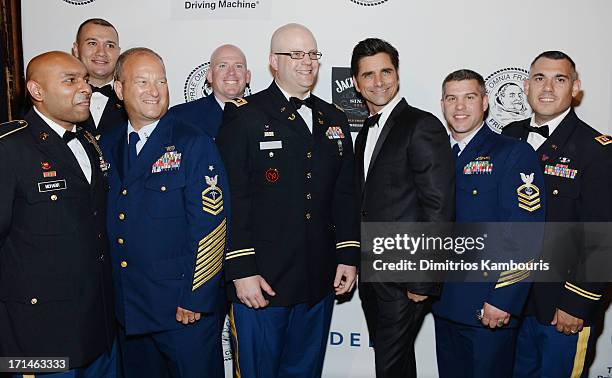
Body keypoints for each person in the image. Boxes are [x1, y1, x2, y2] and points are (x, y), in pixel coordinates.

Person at [216, 23, 360, 378]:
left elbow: (344, 194)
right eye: (295, 54)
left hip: (318, 278)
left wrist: (347, 255)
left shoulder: (334, 118)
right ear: (273, 62)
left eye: (312, 54)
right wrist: (241, 269)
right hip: (262, 281)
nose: (306, 62)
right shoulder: (245, 114)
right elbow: (232, 196)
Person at [101, 47, 228, 378]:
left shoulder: (192, 142)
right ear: (119, 89)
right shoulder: (107, 143)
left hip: (181, 311)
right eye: (142, 81)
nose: (154, 90)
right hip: (129, 308)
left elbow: (211, 226)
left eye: (161, 80)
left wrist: (196, 297)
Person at [0, 51, 116, 376]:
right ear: (37, 92)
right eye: (71, 80)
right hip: (36, 336)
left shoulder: (89, 141)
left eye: (85, 80)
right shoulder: (9, 148)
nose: (85, 88)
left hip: (98, 328)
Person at [503, 51, 612, 378]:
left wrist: (577, 303)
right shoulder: (508, 136)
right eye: (539, 78)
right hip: (512, 301)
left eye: (559, 79)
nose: (547, 87)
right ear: (526, 86)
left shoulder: (597, 150)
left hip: (562, 308)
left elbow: (603, 237)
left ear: (575, 88)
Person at [351, 37, 455, 378]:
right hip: (372, 274)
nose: (378, 81)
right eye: (368, 74)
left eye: (386, 71)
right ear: (356, 82)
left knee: (390, 366)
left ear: (397, 74)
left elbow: (438, 206)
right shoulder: (366, 131)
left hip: (404, 275)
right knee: (395, 364)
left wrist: (422, 279)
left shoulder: (421, 125)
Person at [432, 69, 545, 378]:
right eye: (452, 98)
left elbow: (527, 234)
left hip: (488, 307)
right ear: (442, 104)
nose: (459, 107)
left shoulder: (513, 153)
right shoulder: (436, 155)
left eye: (469, 98)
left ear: (484, 102)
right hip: (444, 304)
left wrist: (503, 298)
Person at [168, 44, 251, 138]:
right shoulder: (180, 117)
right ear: (210, 75)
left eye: (238, 66)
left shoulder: (263, 114)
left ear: (247, 76)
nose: (231, 72)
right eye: (223, 66)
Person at [72, 18, 127, 138]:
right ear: (76, 50)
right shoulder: (58, 97)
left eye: (110, 45)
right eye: (92, 43)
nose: (101, 52)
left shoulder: (132, 98)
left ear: (118, 52)